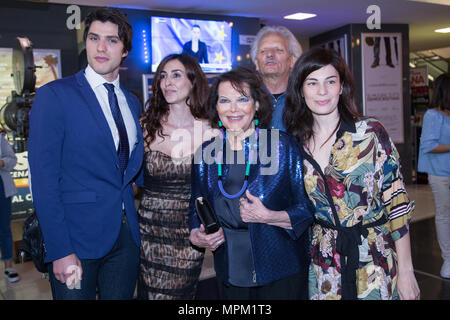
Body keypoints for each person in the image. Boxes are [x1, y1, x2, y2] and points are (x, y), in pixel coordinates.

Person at [284, 47, 420, 300]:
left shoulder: (369, 132)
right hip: (323, 263)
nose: (322, 91)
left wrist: (407, 271)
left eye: (330, 81)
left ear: (341, 86)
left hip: (374, 257)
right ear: (301, 91)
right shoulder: (294, 143)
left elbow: (397, 203)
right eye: (312, 83)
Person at [28, 8, 143, 299]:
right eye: (94, 38)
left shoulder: (132, 103)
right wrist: (60, 250)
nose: (101, 48)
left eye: (112, 40)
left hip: (125, 240)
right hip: (75, 242)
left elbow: (129, 174)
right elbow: (43, 181)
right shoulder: (54, 96)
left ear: (125, 50)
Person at [188, 67, 313, 300]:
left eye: (242, 99)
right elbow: (195, 209)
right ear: (216, 107)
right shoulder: (205, 154)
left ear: (256, 104)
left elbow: (306, 210)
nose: (233, 109)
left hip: (280, 270)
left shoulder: (282, 147)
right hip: (229, 269)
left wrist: (268, 216)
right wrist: (196, 233)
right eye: (224, 100)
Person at [137, 53, 213, 299]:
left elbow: (217, 190)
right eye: (163, 76)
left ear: (193, 81)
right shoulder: (146, 127)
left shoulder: (212, 132)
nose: (167, 82)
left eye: (176, 75)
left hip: (188, 235)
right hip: (150, 233)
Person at [418, 72, 450, 279]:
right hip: (440, 175)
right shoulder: (433, 116)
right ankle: (448, 259)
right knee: (445, 215)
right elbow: (429, 145)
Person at [250, 25, 302, 131]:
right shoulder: (245, 98)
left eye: (278, 50)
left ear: (292, 60)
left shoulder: (305, 98)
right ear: (256, 62)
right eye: (263, 51)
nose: (269, 54)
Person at [0, 130, 19, 283]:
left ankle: (8, 266)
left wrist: (1, 162)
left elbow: (13, 159)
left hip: (2, 188)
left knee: (4, 228)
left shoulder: (0, 138)